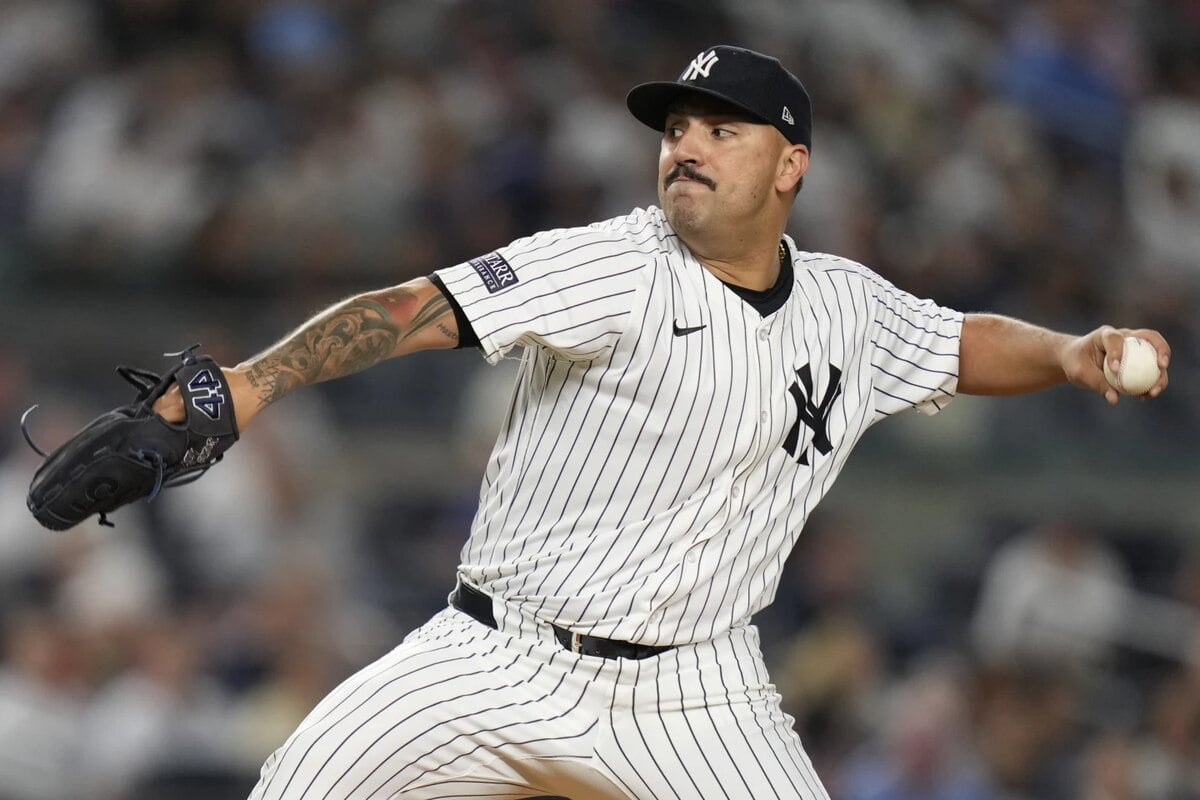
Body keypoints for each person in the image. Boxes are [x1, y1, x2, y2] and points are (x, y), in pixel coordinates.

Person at [155, 45, 1170, 799]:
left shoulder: (847, 307)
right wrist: (248, 384)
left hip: (696, 690)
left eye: (721, 130)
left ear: (791, 167)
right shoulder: (615, 263)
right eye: (677, 129)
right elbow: (413, 308)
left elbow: (958, 342)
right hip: (496, 654)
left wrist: (1070, 352)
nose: (685, 147)